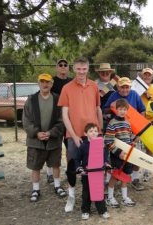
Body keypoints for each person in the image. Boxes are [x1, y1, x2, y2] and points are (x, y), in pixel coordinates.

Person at [58, 57, 103, 212]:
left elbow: (98, 109)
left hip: (92, 136)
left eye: (84, 69)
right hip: (74, 136)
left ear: (88, 69)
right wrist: (74, 135)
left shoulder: (94, 86)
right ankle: (71, 197)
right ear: (73, 69)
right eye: (78, 69)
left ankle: (92, 198)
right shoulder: (67, 88)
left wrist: (100, 132)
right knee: (72, 167)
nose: (81, 72)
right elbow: (64, 114)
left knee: (92, 168)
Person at [23, 73, 66, 202]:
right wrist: (37, 133)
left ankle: (57, 186)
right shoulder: (31, 99)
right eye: (42, 82)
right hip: (36, 141)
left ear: (51, 84)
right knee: (35, 166)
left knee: (55, 164)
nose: (45, 84)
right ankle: (36, 189)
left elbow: (61, 120)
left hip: (53, 140)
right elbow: (26, 120)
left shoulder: (57, 99)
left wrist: (51, 132)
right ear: (38, 83)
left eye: (47, 82)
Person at [103, 77, 146, 191]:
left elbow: (142, 110)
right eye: (122, 87)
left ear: (130, 87)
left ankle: (135, 179)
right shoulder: (113, 95)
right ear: (118, 87)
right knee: (113, 156)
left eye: (127, 87)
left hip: (133, 131)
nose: (124, 89)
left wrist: (139, 126)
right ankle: (108, 180)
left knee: (135, 155)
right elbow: (105, 110)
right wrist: (111, 106)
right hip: (117, 132)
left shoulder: (135, 94)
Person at [104, 99, 136, 208]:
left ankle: (124, 197)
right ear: (116, 110)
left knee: (125, 175)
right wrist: (118, 152)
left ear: (127, 110)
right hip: (116, 155)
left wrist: (132, 144)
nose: (122, 111)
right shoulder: (112, 123)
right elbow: (108, 141)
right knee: (114, 175)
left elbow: (128, 137)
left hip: (127, 155)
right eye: (120, 109)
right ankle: (110, 197)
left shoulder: (127, 123)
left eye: (124, 109)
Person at [75, 123, 110, 220]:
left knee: (99, 191)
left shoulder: (101, 145)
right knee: (86, 193)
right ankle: (85, 210)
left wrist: (106, 163)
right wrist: (79, 168)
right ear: (85, 134)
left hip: (98, 173)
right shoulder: (83, 146)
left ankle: (102, 210)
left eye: (95, 131)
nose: (94, 133)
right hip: (86, 174)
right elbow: (77, 159)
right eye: (91, 131)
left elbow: (104, 157)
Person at [45, 59, 72, 185]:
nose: (63, 67)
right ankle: (49, 173)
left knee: (69, 147)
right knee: (52, 147)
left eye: (65, 65)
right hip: (54, 118)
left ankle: (69, 171)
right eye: (60, 65)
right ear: (56, 67)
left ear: (68, 67)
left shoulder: (72, 81)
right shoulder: (51, 82)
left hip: (68, 119)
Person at [139, 67, 153, 181]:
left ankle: (147, 171)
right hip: (137, 122)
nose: (147, 77)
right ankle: (134, 174)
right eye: (145, 75)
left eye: (149, 75)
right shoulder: (136, 89)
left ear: (152, 77)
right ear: (142, 76)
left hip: (151, 122)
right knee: (137, 148)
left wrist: (150, 97)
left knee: (149, 148)